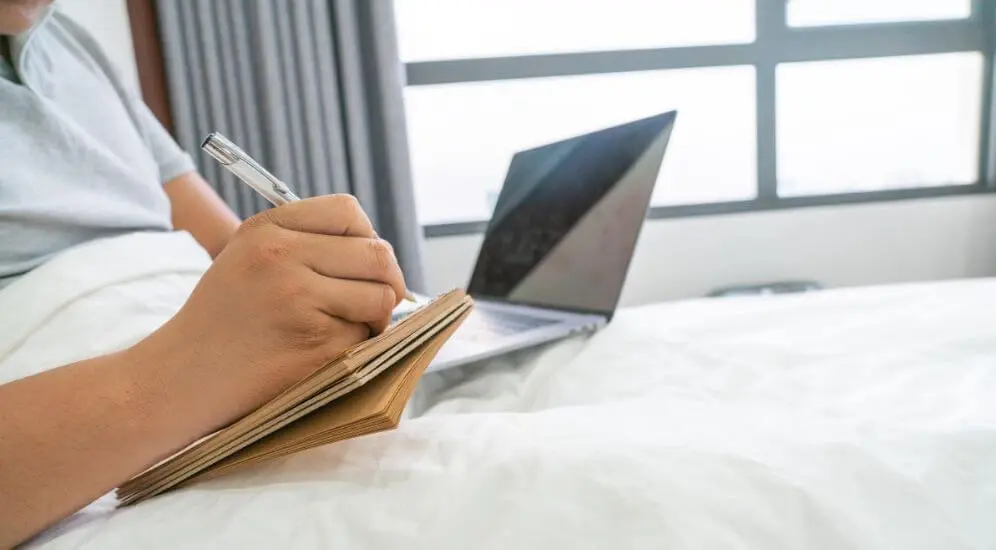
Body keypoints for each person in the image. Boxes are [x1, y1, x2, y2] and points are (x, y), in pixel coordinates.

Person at [0, 1, 409, 546]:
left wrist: (316, 284)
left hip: (239, 369)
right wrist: (185, 371)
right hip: (109, 419)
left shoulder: (69, 43)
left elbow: (228, 245)